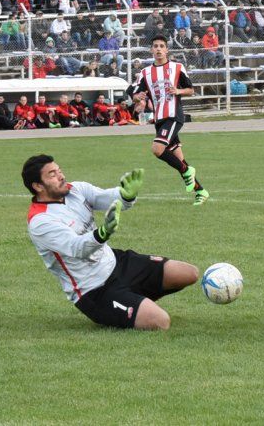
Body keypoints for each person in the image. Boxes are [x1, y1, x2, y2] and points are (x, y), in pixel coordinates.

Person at [23, 156, 198, 330]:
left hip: (116, 262)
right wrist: (102, 233)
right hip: (94, 289)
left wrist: (126, 195)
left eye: (59, 170)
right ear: (38, 186)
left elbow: (108, 198)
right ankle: (126, 306)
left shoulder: (76, 189)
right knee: (161, 322)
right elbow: (77, 248)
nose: (61, 176)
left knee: (189, 273)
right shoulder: (41, 220)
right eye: (52, 174)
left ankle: (133, 301)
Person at [133, 35, 209, 205]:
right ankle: (201, 191)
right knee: (178, 159)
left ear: (167, 49)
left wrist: (178, 91)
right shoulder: (145, 72)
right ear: (151, 50)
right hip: (159, 118)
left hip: (174, 115)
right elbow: (134, 95)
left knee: (157, 148)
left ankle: (188, 171)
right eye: (155, 46)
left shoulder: (177, 67)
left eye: (161, 46)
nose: (158, 49)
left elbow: (190, 89)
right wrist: (139, 97)